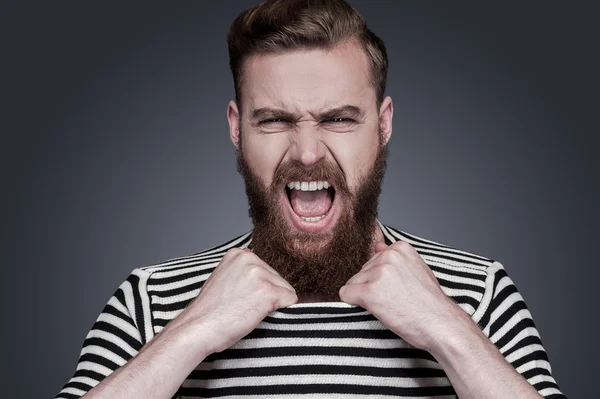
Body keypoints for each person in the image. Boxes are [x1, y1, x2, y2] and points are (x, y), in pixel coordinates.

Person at [55, 0, 566, 398]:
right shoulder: (150, 300)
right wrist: (193, 331)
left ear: (383, 124)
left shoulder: (479, 293)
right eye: (274, 120)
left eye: (338, 119)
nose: (305, 153)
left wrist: (445, 329)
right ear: (237, 128)